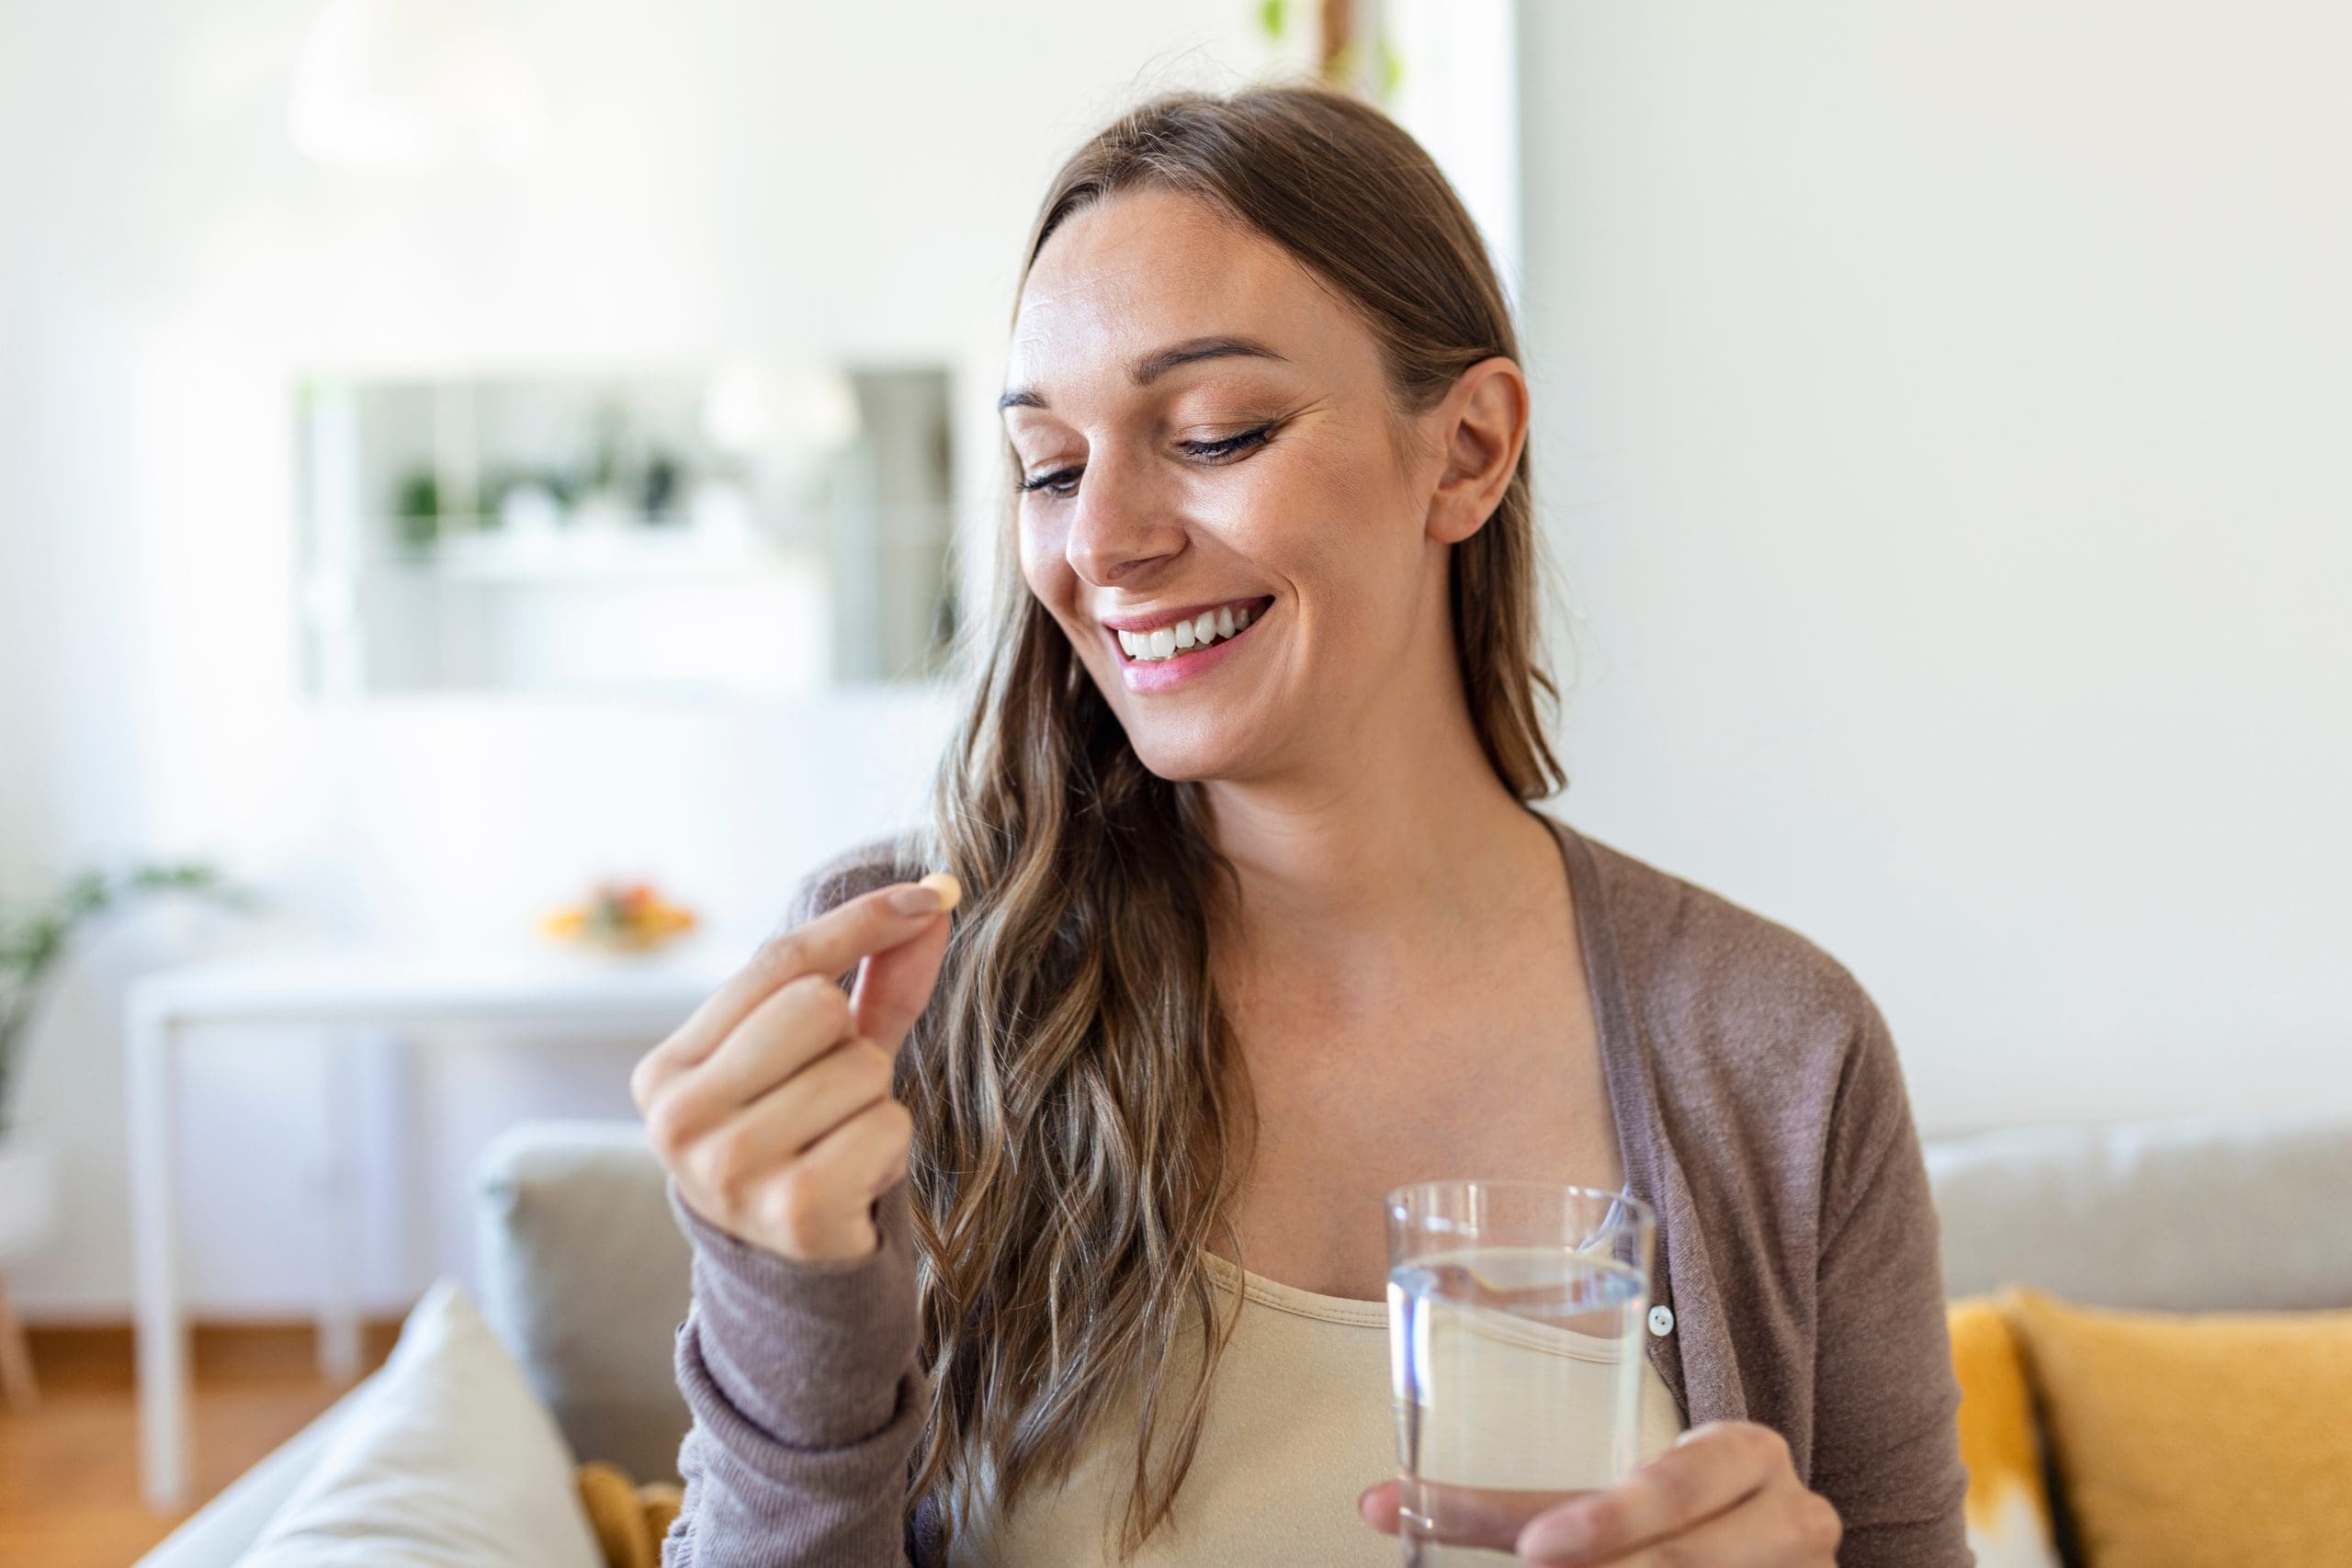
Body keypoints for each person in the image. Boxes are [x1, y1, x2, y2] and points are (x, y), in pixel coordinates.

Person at [628, 83, 1969, 1567]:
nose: (1102, 542)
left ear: (1466, 452)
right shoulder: (916, 1002)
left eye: (1215, 433)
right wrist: (788, 1312)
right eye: (1050, 468)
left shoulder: (1778, 1053)